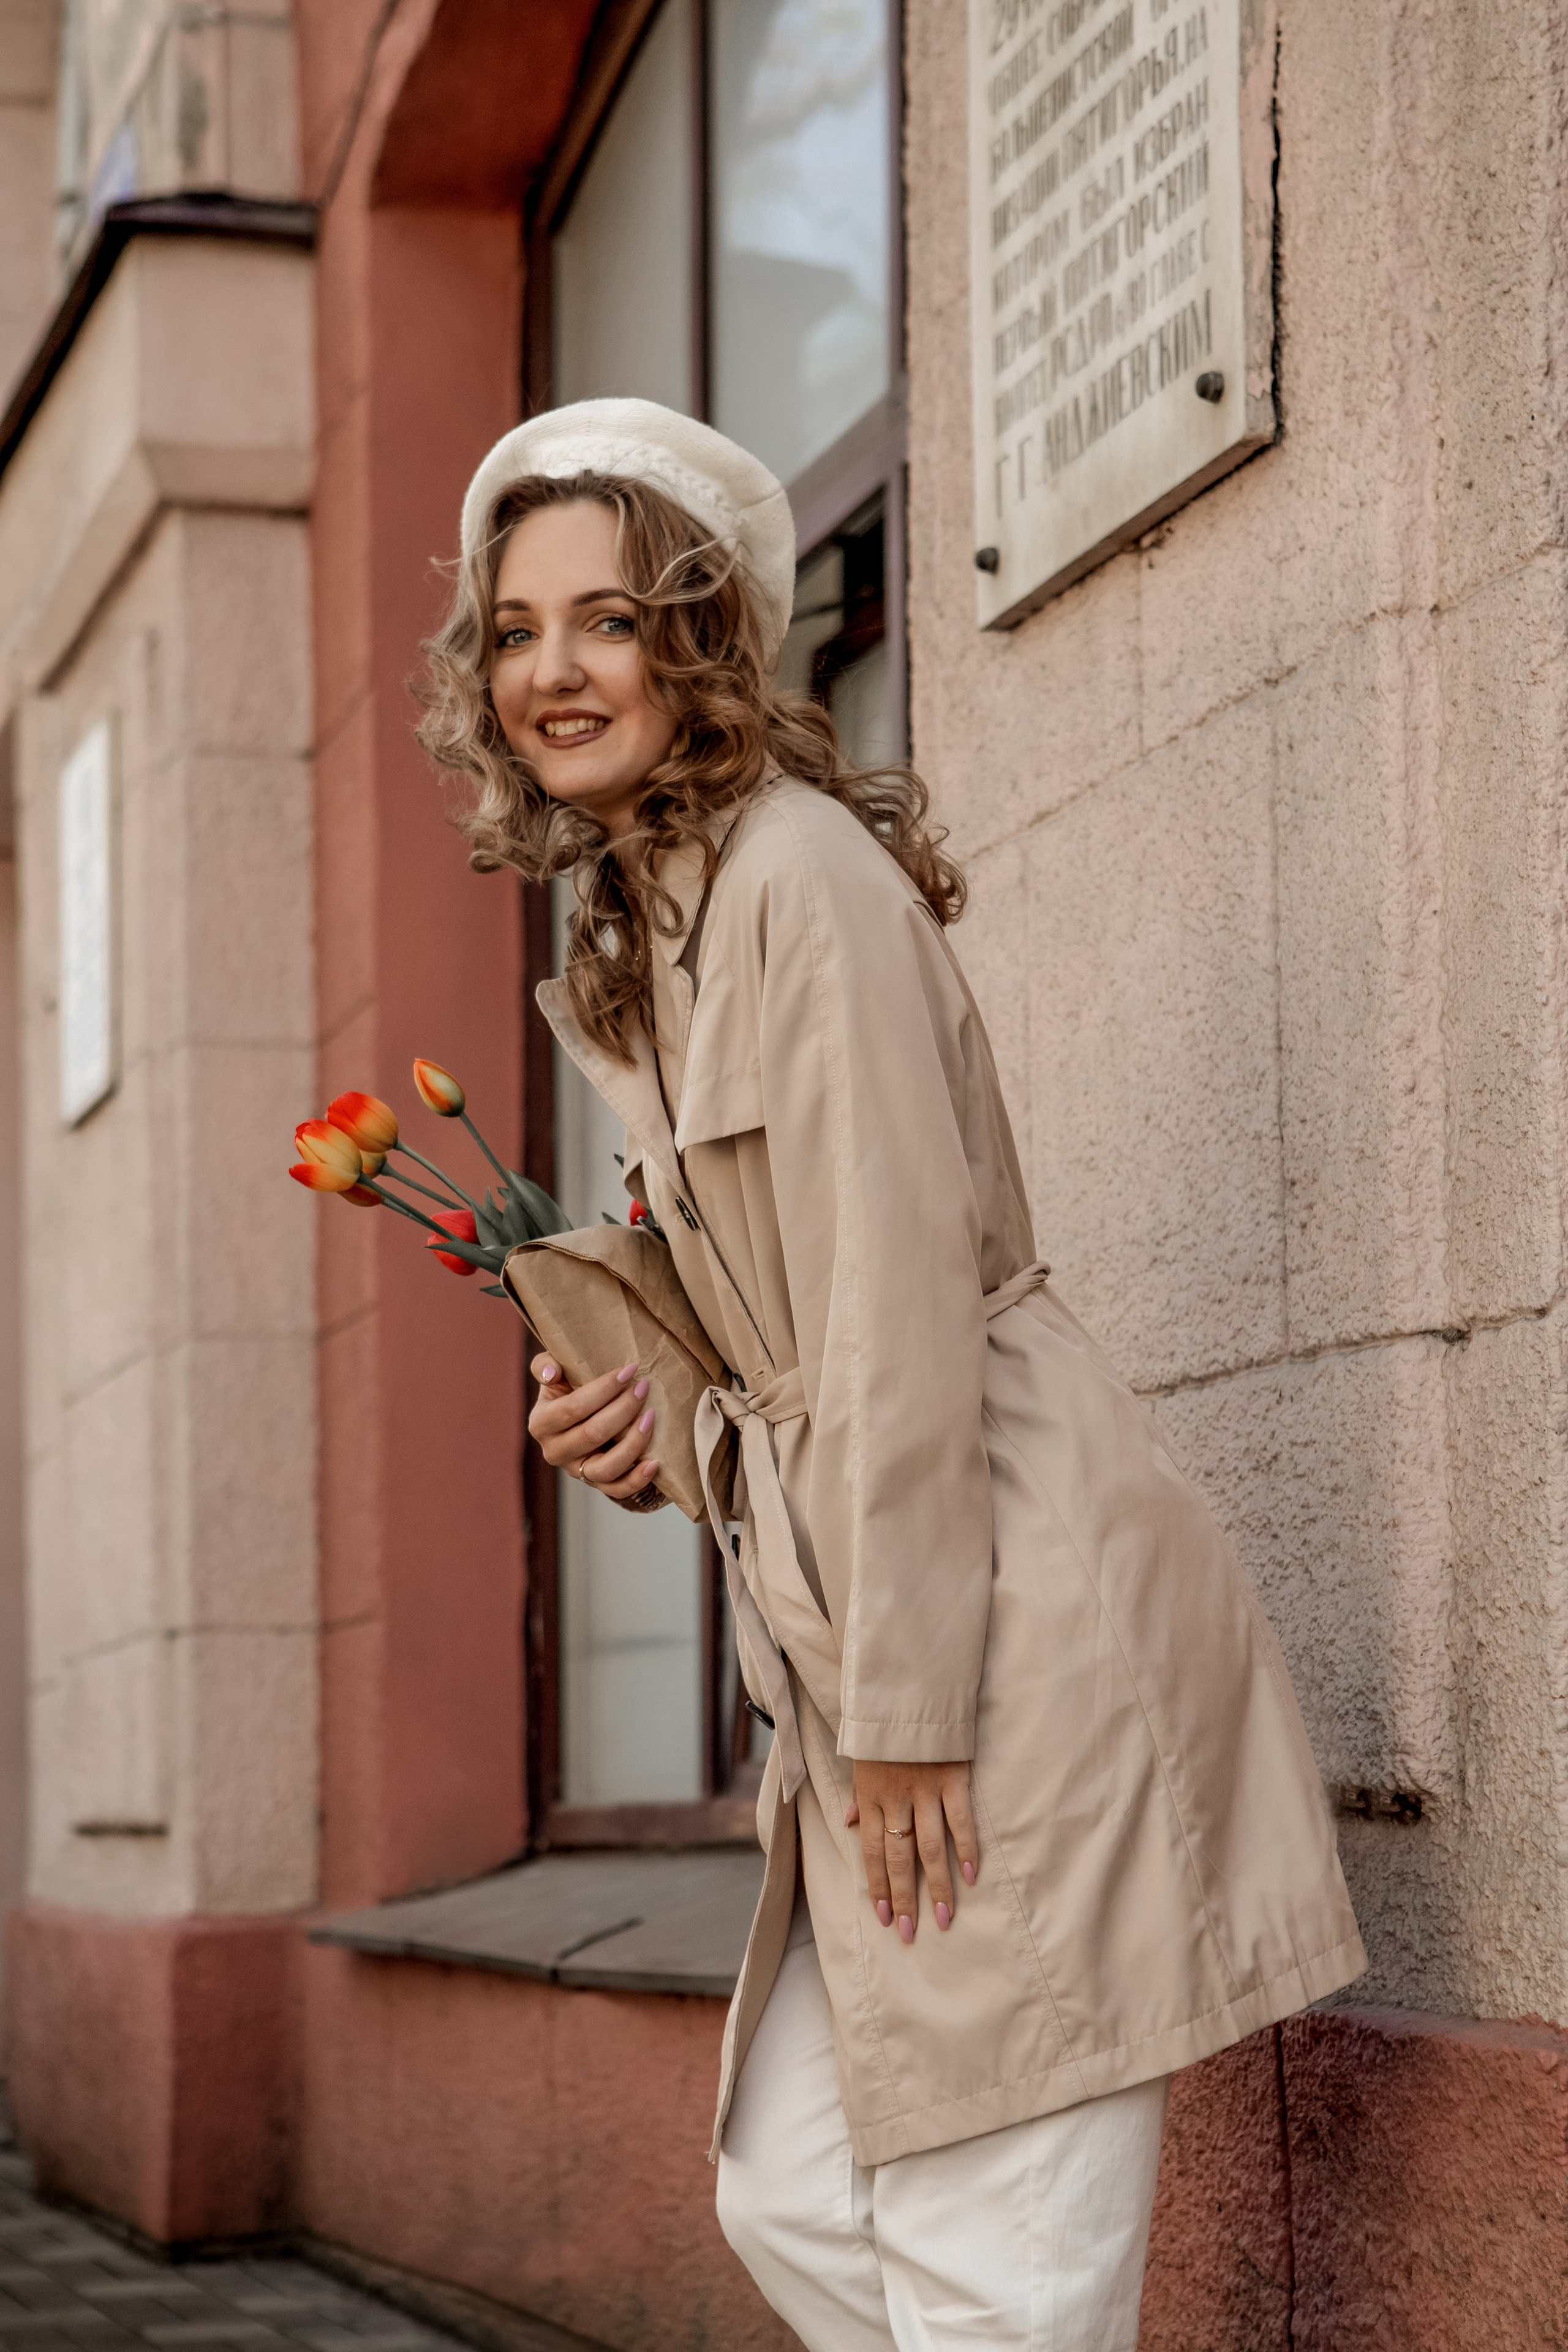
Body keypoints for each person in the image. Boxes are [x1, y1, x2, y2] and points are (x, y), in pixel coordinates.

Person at [417, 398, 1366, 2352]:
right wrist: (651, 1421)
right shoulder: (653, 925)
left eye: (607, 619)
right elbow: (784, 1340)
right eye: (514, 631)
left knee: (995, 2270)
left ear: (700, 636)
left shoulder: (795, 880)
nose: (552, 671)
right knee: (791, 2184)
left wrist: (916, 1710)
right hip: (874, 1640)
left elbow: (901, 1316)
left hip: (998, 1626)